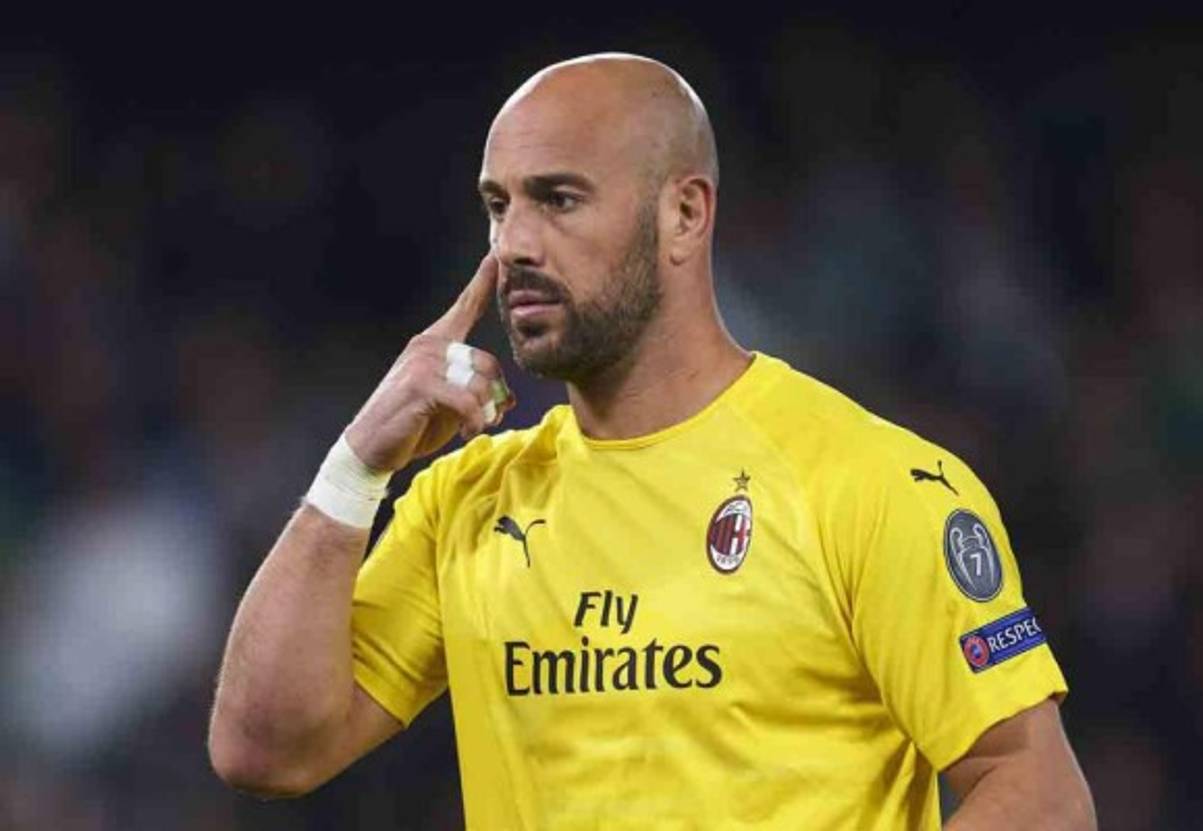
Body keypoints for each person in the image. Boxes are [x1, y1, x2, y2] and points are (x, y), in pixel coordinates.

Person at [208, 53, 1096, 829]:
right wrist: (357, 465)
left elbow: (1039, 793)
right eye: (497, 205)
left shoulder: (867, 483)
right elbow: (265, 747)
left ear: (684, 213)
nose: (513, 242)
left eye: (558, 199)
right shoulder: (472, 500)